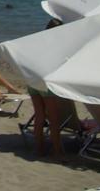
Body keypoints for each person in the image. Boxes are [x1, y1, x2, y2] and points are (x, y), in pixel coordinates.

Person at [29, 19, 65, 160]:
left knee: (39, 116)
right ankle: (57, 152)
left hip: (32, 80)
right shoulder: (56, 45)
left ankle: (39, 149)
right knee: (54, 119)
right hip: (46, 82)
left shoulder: (37, 41)